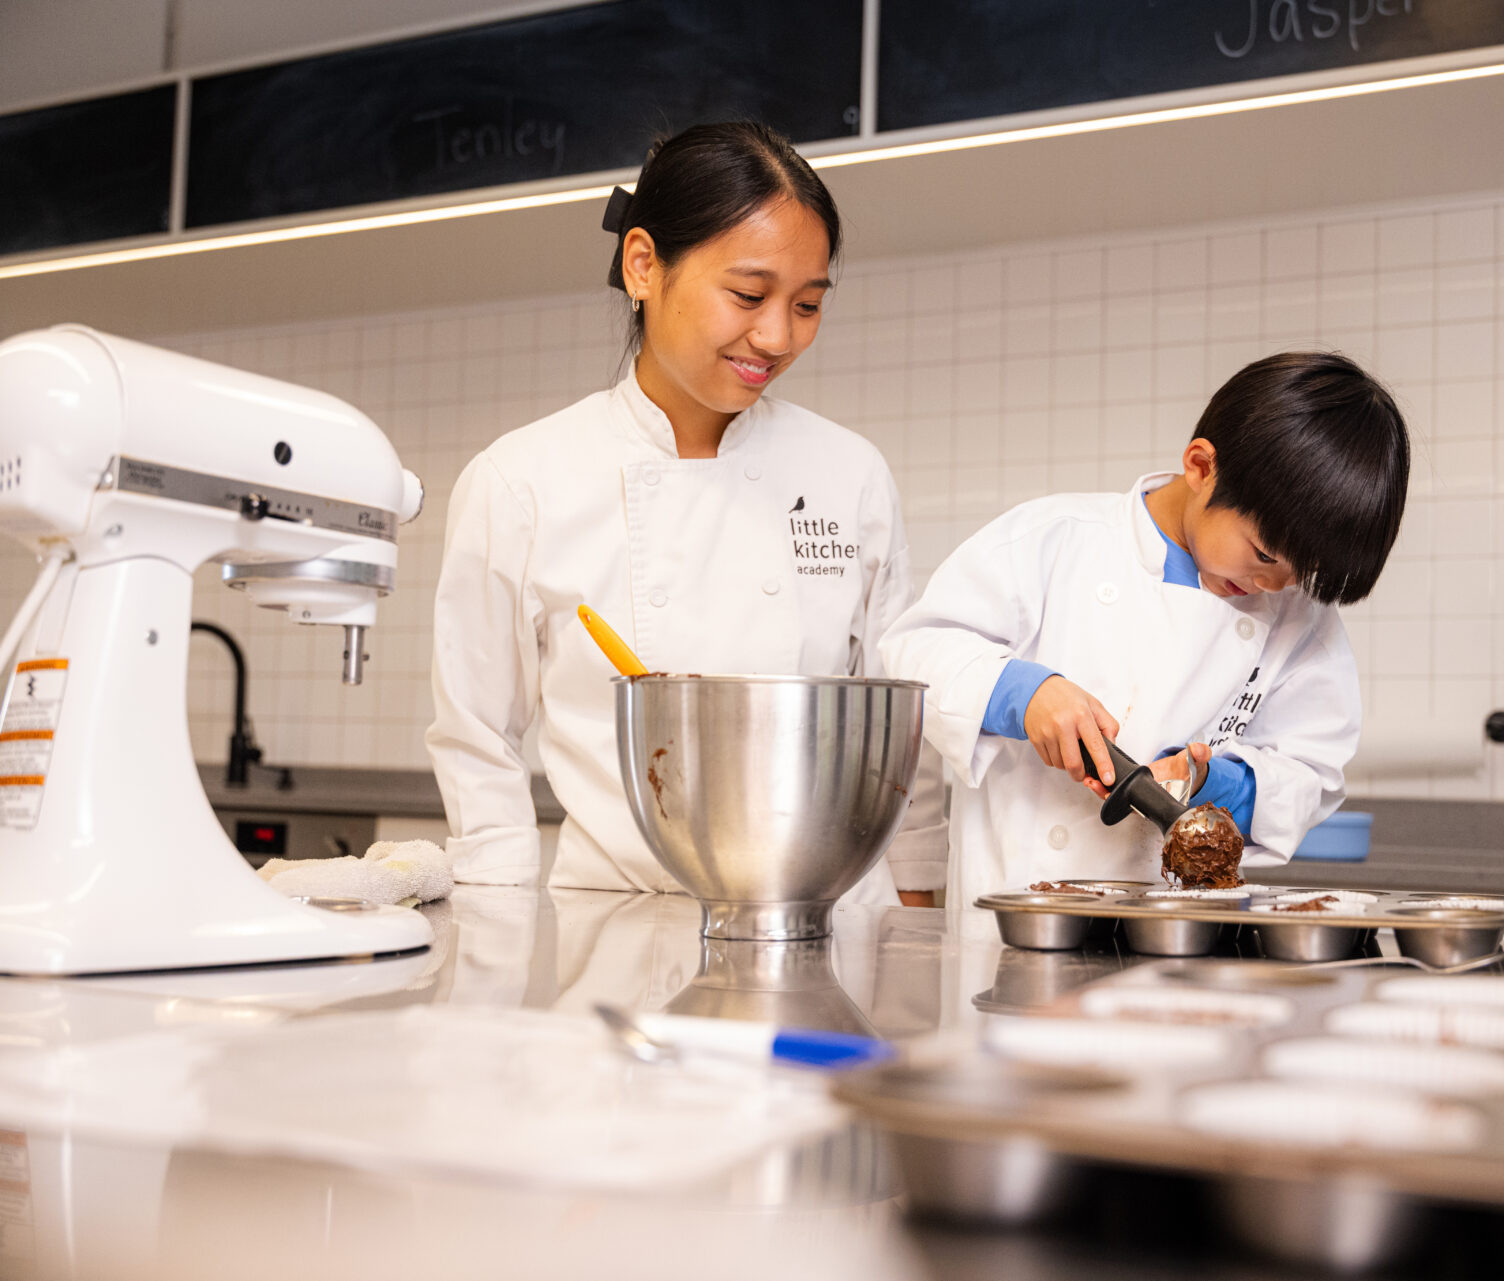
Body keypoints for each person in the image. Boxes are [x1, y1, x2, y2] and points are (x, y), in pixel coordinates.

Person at [428, 121, 943, 902]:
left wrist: (918, 905)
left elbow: (902, 731)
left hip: (828, 926)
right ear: (643, 265)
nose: (776, 336)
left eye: (807, 304)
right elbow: (476, 738)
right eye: (748, 294)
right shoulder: (521, 481)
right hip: (618, 928)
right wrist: (496, 914)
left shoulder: (849, 474)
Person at [879, 351, 1409, 908]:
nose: (1274, 586)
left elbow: (1310, 775)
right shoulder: (1056, 540)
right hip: (1012, 915)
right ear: (1202, 468)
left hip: (1179, 935)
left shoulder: (1301, 621)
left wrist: (1219, 785)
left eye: (1301, 574)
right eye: (1263, 555)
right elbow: (917, 650)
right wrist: (1021, 693)